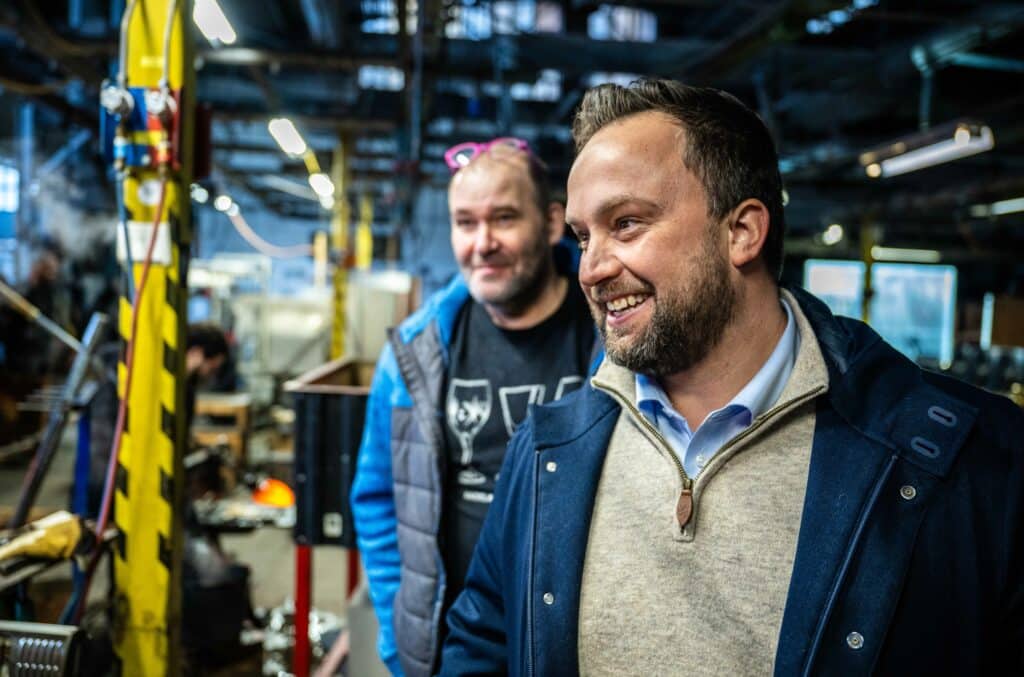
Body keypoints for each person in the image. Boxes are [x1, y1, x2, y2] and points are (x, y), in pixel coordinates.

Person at [440, 79, 1024, 675]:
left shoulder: (967, 461)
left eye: (627, 224)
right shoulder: (548, 450)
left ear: (741, 231)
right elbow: (483, 641)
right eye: (584, 237)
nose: (590, 269)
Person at [351, 137, 598, 676]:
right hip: (453, 650)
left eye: (504, 218)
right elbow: (376, 500)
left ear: (551, 223)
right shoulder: (415, 353)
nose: (482, 243)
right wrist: (401, 636)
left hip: (576, 647)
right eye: (465, 223)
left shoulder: (610, 343)